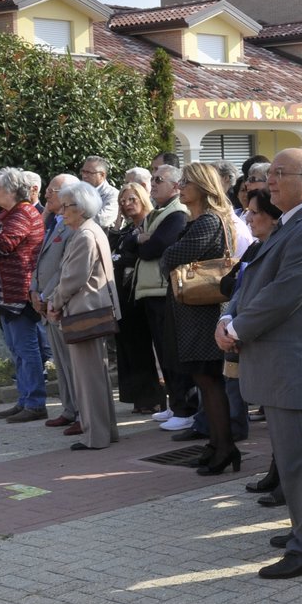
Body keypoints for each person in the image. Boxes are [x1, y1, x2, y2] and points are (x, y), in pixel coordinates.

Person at [217, 149, 302, 580]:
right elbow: (252, 280)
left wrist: (236, 330)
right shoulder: (293, 224)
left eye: (278, 174)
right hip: (278, 363)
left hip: (294, 363)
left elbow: (285, 295)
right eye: (268, 174)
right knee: (292, 460)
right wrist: (229, 318)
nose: (268, 182)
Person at [160, 162, 238, 476]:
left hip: (204, 314)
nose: (180, 187)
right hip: (194, 312)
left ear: (203, 187)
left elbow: (170, 256)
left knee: (209, 379)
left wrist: (169, 255)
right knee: (205, 380)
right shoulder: (200, 219)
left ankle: (225, 447)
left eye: (186, 182)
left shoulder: (209, 221)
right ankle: (217, 444)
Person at [47, 181, 121, 451]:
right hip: (91, 310)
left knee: (88, 380)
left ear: (81, 208)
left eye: (67, 207)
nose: (62, 212)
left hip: (84, 312)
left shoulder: (84, 235)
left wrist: (53, 302)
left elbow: (72, 279)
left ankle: (95, 437)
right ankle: (105, 433)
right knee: (96, 377)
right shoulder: (90, 231)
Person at [0, 168, 47, 422]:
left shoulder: (24, 213)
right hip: (7, 294)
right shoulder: (7, 215)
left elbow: (0, 245)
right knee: (16, 349)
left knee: (26, 349)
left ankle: (35, 403)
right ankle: (24, 399)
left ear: (10, 190)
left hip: (20, 293)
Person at [135, 166, 194, 427]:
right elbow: (131, 243)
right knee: (163, 351)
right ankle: (174, 404)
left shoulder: (177, 212)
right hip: (151, 290)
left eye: (159, 180)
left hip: (163, 290)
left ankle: (185, 408)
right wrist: (142, 240)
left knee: (172, 351)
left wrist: (145, 241)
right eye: (153, 179)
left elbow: (157, 248)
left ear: (174, 186)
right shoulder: (158, 212)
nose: (153, 184)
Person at [34, 176, 85, 432]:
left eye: (51, 192)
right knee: (61, 364)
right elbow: (41, 259)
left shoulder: (74, 228)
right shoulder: (54, 222)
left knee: (71, 363)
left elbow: (65, 267)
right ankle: (68, 408)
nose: (46, 197)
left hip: (60, 303)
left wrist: (46, 297)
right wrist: (34, 289)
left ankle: (80, 412)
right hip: (47, 301)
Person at [111, 181, 164, 414]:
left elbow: (137, 254)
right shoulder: (126, 229)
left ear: (143, 198)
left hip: (140, 293)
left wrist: (127, 248)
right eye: (123, 200)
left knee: (142, 347)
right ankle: (137, 397)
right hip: (121, 294)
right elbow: (114, 252)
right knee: (127, 348)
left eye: (132, 199)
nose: (127, 204)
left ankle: (152, 398)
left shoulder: (151, 223)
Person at [79, 156, 120, 230]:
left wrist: (76, 219)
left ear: (102, 175)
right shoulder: (78, 192)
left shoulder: (113, 195)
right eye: (83, 171)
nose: (84, 176)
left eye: (88, 173)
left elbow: (102, 220)